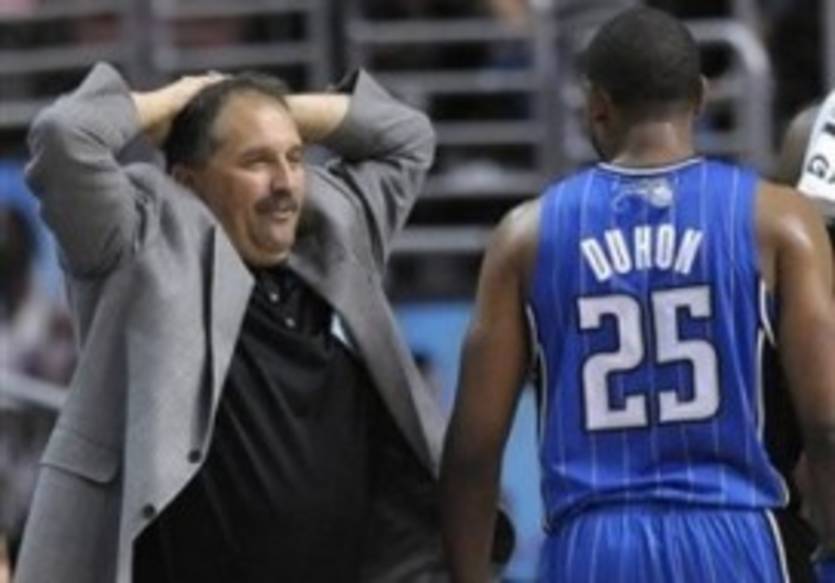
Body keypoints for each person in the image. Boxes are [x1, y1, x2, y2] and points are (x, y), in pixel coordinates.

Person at [14, 62, 511, 583]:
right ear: (187, 182)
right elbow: (65, 136)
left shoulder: (333, 230)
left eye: (294, 158)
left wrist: (254, 108)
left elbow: (407, 137)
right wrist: (183, 102)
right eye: (255, 161)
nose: (284, 183)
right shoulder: (140, 242)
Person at [440, 7, 835, 583]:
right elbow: (826, 422)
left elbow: (473, 451)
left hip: (592, 545)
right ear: (700, 98)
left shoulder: (525, 236)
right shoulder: (779, 221)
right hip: (738, 532)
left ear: (596, 105)